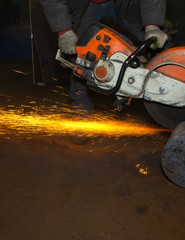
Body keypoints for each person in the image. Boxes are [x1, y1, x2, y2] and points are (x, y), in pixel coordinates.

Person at [39, 0, 168, 143]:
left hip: (123, 3)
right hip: (85, 5)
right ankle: (81, 115)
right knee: (81, 55)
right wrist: (64, 31)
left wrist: (153, 26)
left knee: (158, 42)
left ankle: (175, 89)